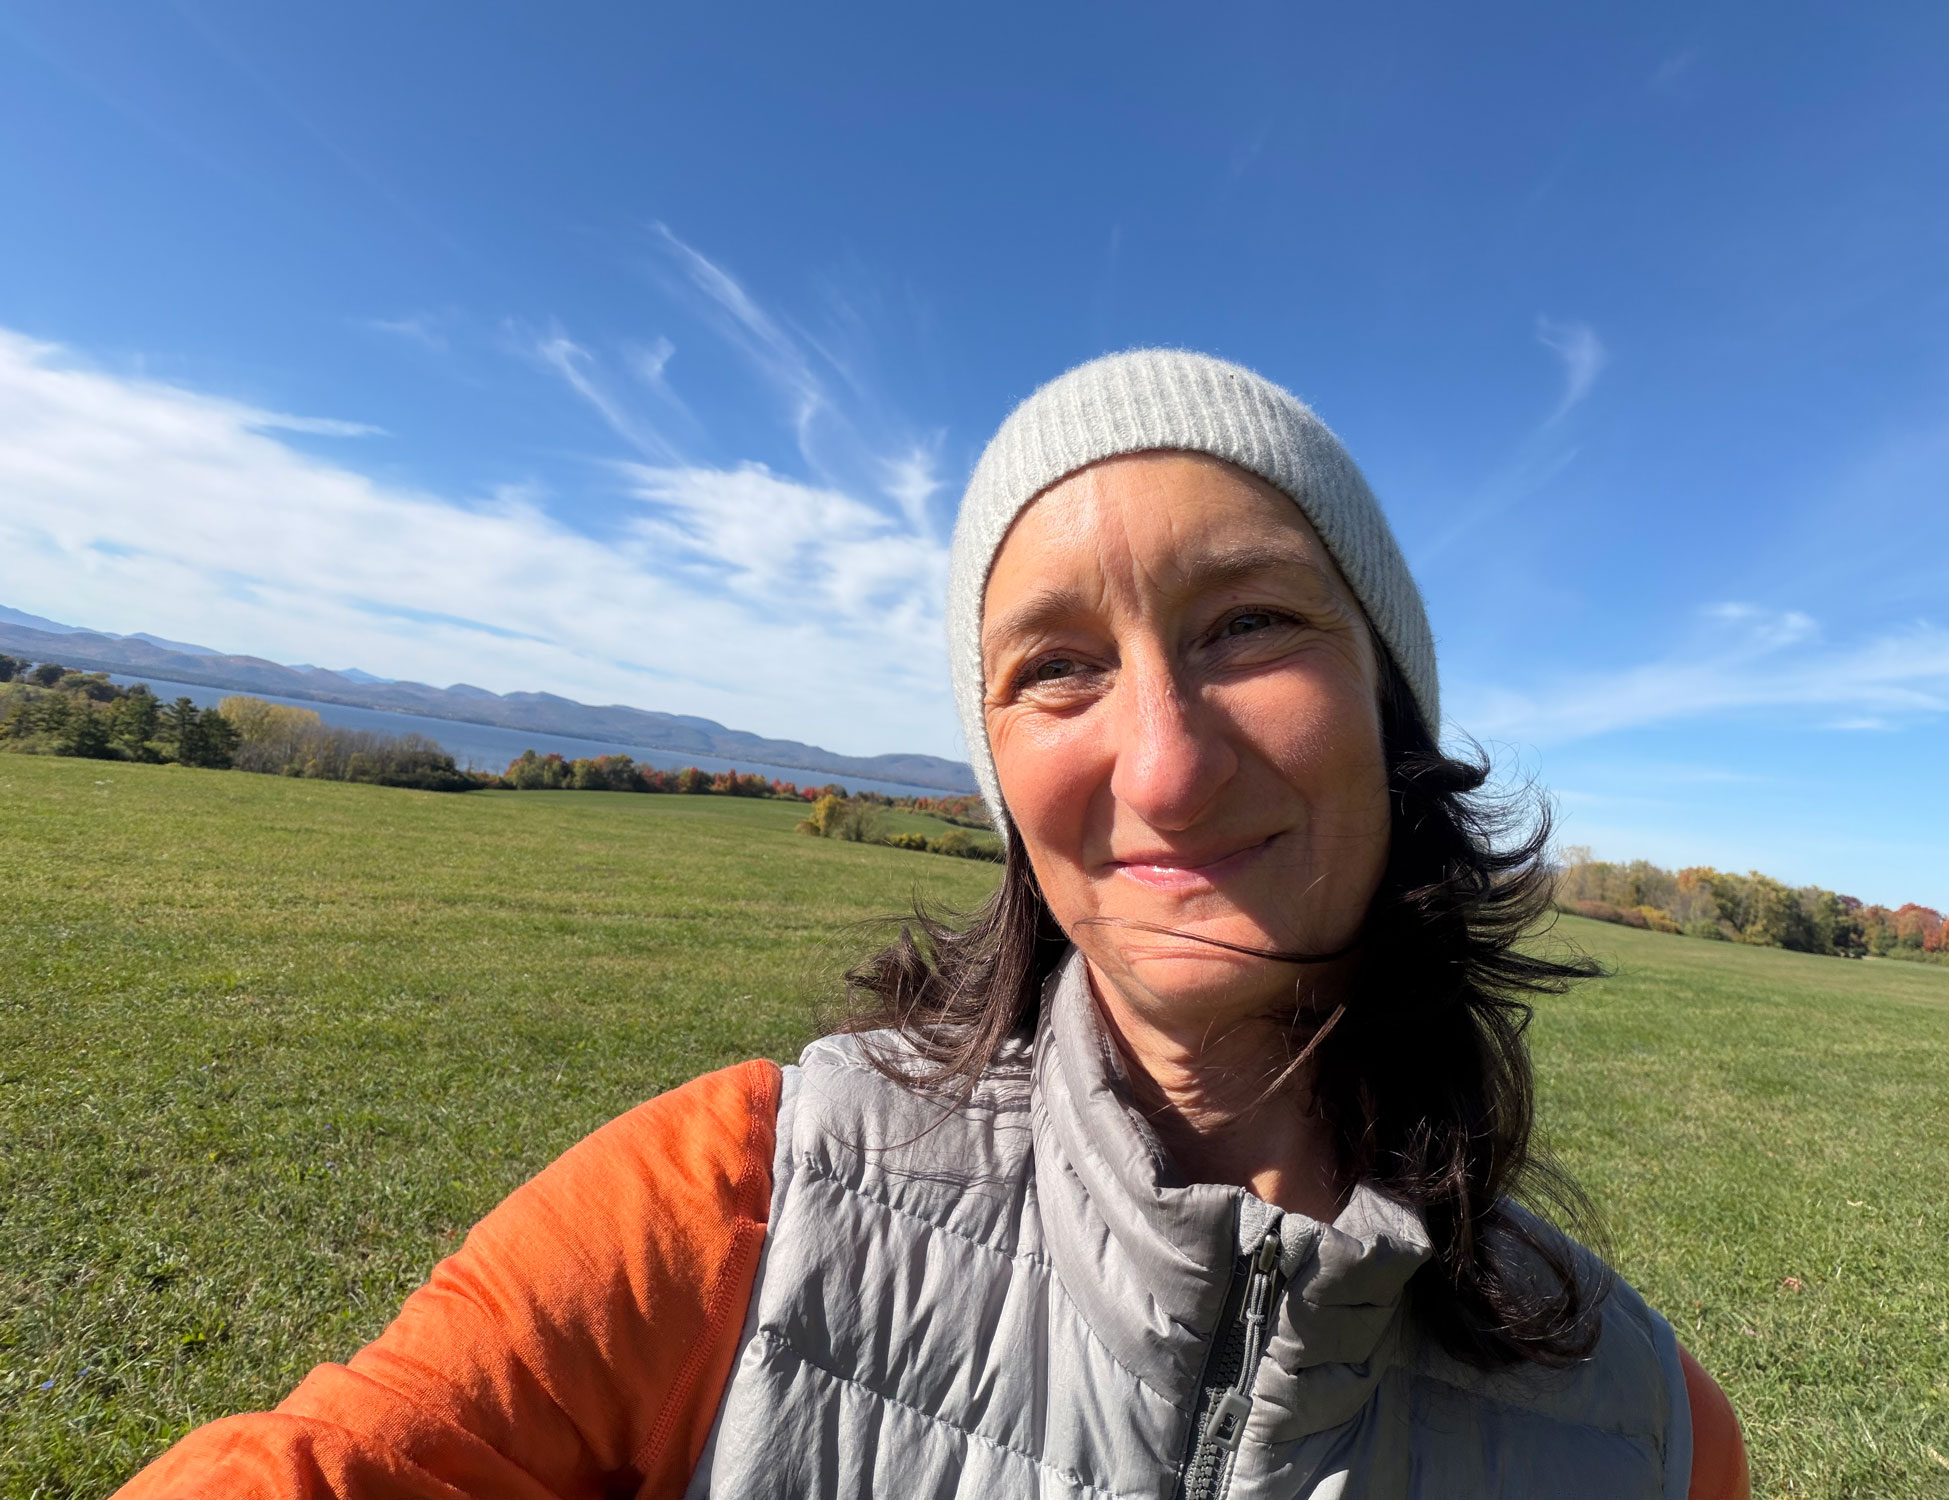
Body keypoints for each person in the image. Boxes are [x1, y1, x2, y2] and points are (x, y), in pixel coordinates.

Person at [116, 351, 1749, 1499]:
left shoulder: (1652, 1436)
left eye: (1249, 622)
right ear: (1000, 781)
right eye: (1057, 667)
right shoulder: (734, 1207)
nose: (1166, 763)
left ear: (1392, 712)